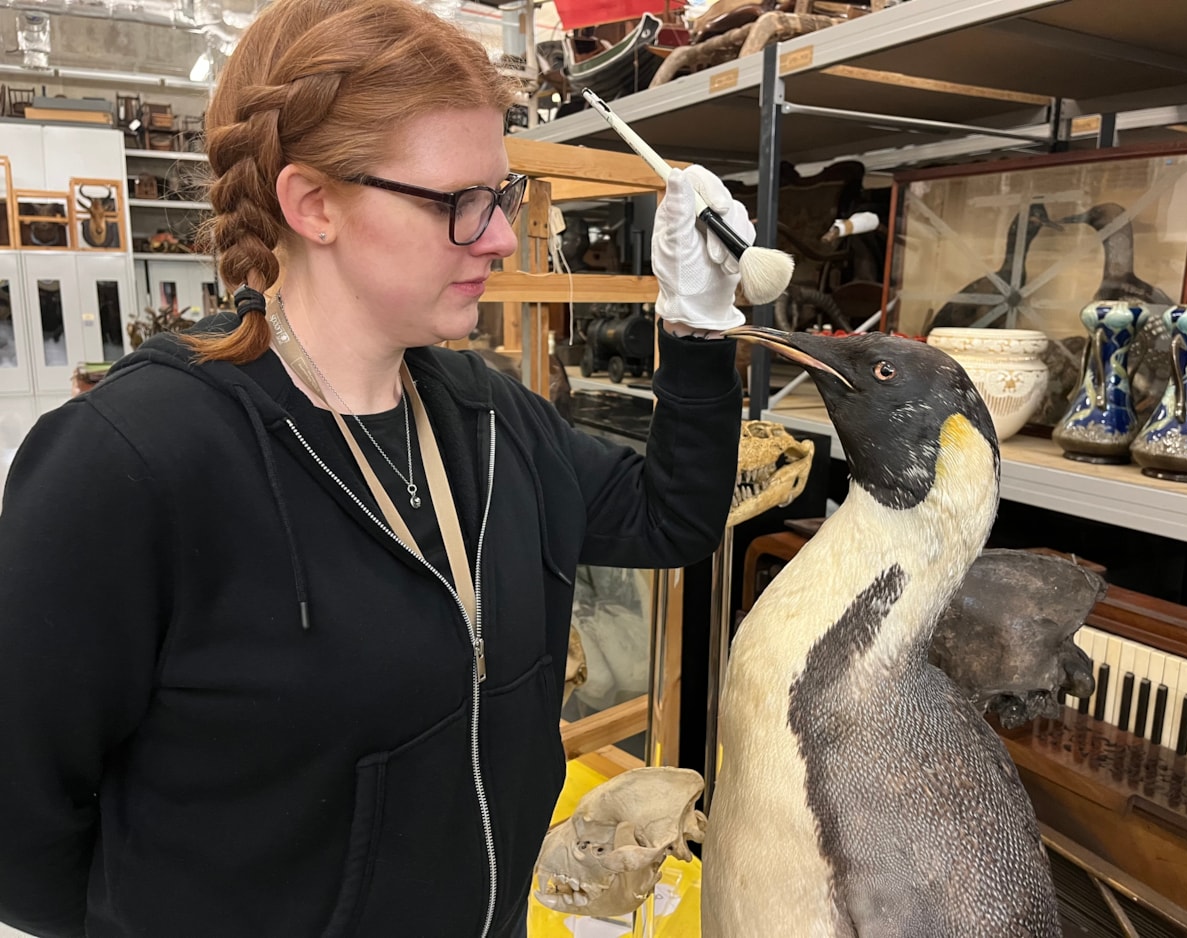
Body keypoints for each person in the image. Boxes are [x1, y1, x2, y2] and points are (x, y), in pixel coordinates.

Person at [0, 1, 753, 936]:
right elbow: (23, 836)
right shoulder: (133, 464)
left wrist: (698, 329)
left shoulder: (490, 422)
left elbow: (670, 518)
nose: (501, 238)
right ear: (313, 204)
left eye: (502, 194)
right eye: (459, 204)